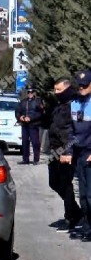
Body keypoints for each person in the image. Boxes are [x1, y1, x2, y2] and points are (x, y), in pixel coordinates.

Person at [48, 77, 82, 232]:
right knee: (54, 182)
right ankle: (77, 212)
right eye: (55, 90)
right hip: (55, 151)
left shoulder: (73, 107)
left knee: (65, 185)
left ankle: (72, 217)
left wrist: (67, 152)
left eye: (59, 90)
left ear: (67, 90)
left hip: (65, 151)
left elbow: (71, 132)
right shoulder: (61, 106)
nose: (56, 93)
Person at [64, 70, 91, 242]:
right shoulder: (73, 103)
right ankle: (87, 227)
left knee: (90, 195)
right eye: (79, 85)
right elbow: (70, 132)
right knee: (82, 194)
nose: (81, 88)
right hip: (79, 153)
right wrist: (67, 151)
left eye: (85, 85)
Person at [15, 84, 44, 165]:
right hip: (25, 125)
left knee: (35, 142)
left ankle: (36, 159)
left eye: (31, 92)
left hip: (33, 125)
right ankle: (25, 159)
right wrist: (20, 117)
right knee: (25, 142)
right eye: (28, 92)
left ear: (34, 92)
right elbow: (17, 111)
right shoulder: (23, 102)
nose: (30, 93)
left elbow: (40, 113)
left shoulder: (38, 102)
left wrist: (31, 118)